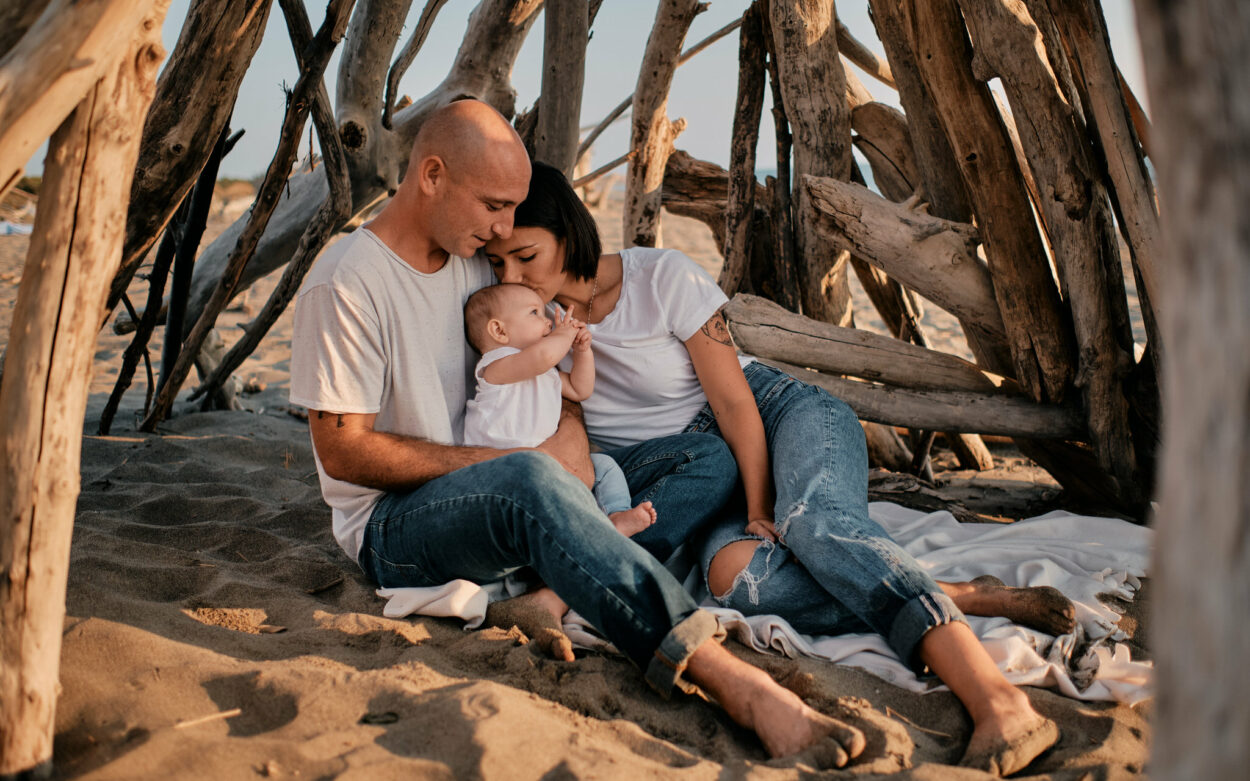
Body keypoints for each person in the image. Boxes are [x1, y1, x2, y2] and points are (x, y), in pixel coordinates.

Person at [288, 99, 867, 767]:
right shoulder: (347, 285)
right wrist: (513, 462)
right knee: (528, 479)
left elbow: (548, 376)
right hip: (399, 527)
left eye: (514, 211)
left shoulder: (479, 263)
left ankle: (545, 595)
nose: (506, 228)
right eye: (494, 205)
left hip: (514, 489)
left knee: (705, 459)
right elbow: (345, 451)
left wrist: (564, 448)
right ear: (432, 175)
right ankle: (729, 678)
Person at [483, 160, 1072, 776]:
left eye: (526, 255)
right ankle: (966, 596)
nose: (514, 276)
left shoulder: (662, 278)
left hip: (774, 417)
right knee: (737, 580)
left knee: (812, 526)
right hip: (695, 477)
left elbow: (736, 404)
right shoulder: (527, 330)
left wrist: (763, 510)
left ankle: (998, 701)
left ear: (570, 234)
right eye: (500, 266)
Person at [462, 282, 656, 536]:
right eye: (534, 313)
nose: (548, 323)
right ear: (499, 331)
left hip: (551, 463)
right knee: (551, 505)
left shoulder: (544, 372)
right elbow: (542, 357)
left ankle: (616, 516)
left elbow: (579, 389)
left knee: (604, 466)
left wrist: (582, 352)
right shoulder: (494, 367)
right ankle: (581, 534)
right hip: (503, 470)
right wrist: (562, 335)